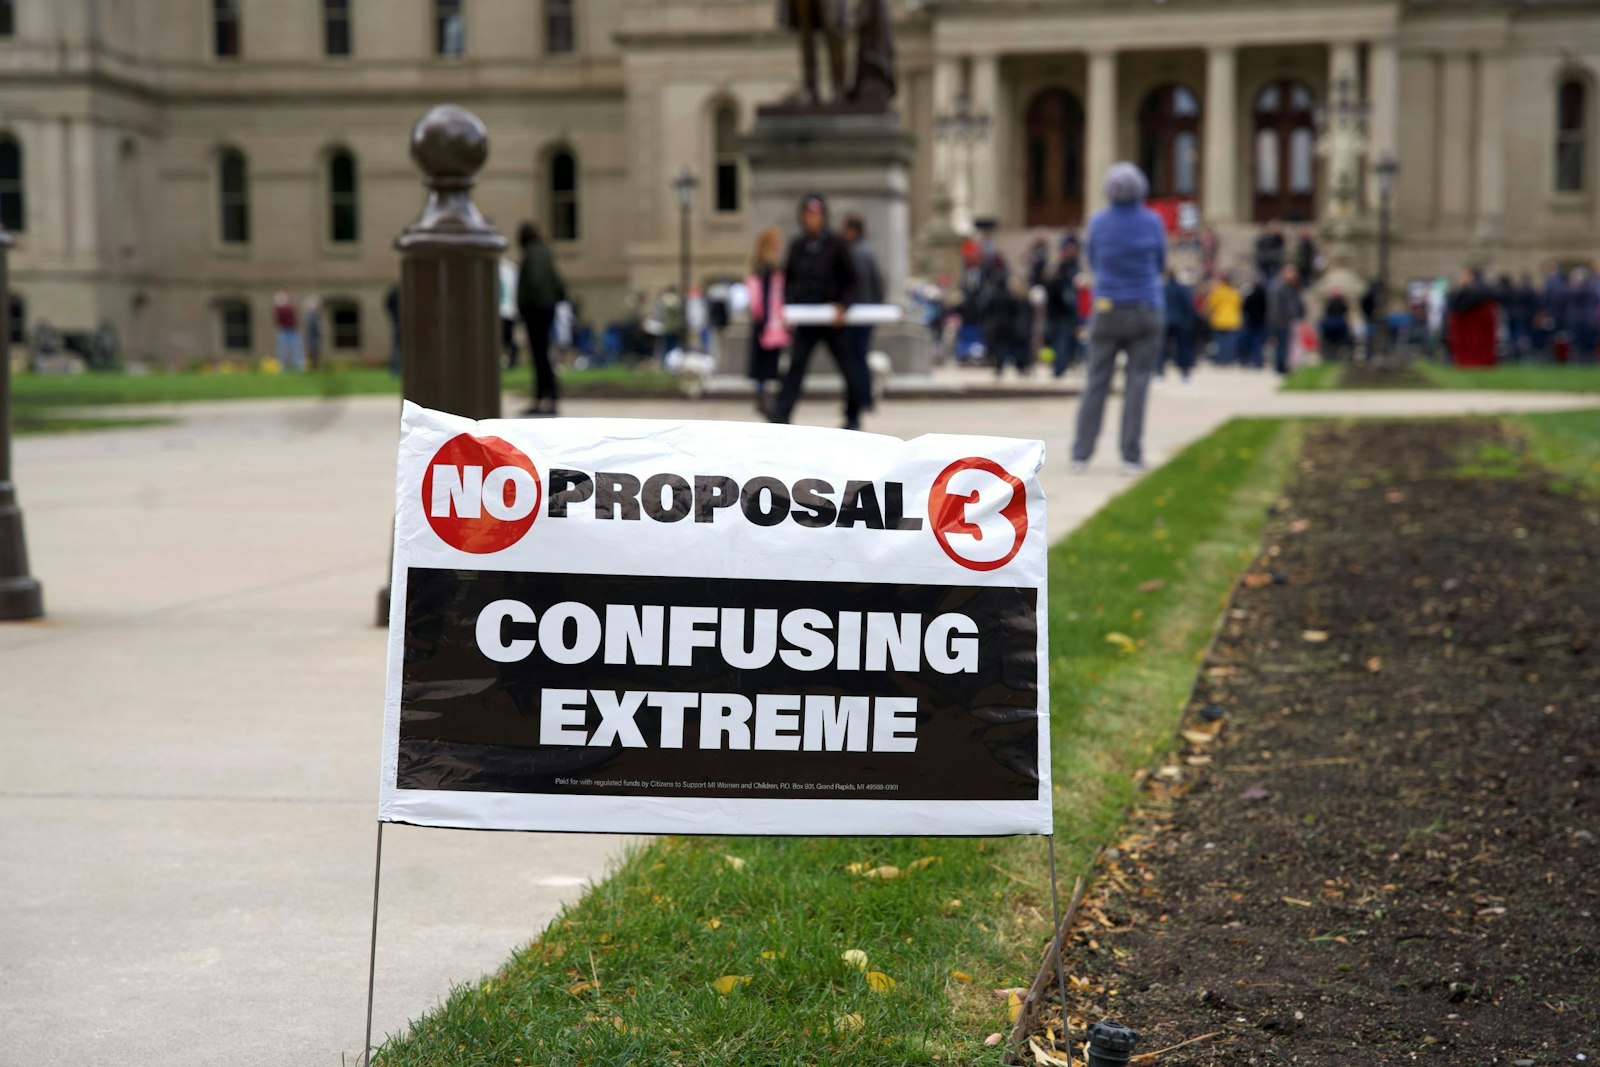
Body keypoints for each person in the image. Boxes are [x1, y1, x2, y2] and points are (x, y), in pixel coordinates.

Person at [1071, 162, 1166, 474]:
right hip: (1144, 309)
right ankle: (1130, 455)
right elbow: (1161, 262)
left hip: (1108, 308)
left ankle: (1081, 454)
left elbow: (1094, 261)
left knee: (1096, 382)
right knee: (1137, 384)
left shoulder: (1097, 222)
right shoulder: (1152, 221)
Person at [768, 192, 862, 429]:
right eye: (808, 214)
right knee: (795, 367)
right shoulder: (798, 246)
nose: (812, 219)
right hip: (806, 319)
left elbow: (852, 280)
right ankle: (782, 413)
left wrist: (843, 306)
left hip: (831, 319)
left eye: (816, 214)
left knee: (849, 367)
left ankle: (853, 415)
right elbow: (788, 281)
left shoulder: (836, 245)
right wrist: (788, 310)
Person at [516, 221, 566, 416]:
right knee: (543, 354)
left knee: (539, 356)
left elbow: (534, 281)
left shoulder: (531, 253)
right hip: (547, 307)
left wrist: (524, 307)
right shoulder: (545, 251)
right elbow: (556, 280)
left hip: (536, 308)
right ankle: (546, 398)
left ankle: (544, 398)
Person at [840, 214, 884, 410]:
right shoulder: (868, 251)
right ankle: (864, 397)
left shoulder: (854, 252)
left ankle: (860, 398)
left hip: (856, 312)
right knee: (860, 356)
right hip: (867, 310)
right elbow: (878, 282)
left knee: (854, 358)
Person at [745, 226, 790, 412]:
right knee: (768, 362)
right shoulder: (768, 266)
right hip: (768, 320)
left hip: (765, 319)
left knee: (766, 362)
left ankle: (764, 394)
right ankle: (765, 396)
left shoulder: (761, 264)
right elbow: (765, 295)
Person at [1447, 267, 1498, 368]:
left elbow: (1458, 306)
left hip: (1471, 324)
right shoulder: (1481, 289)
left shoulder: (1472, 290)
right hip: (1473, 325)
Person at [1045, 235, 1080, 376]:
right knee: (1056, 342)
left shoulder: (1073, 266)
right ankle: (1057, 368)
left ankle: (1059, 369)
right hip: (1056, 310)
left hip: (1064, 313)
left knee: (1062, 342)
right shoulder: (1058, 267)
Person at [990, 274, 1034, 378]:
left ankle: (1018, 366)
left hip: (1016, 328)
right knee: (1007, 348)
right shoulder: (1009, 298)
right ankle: (1012, 366)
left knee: (1016, 349)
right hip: (1010, 328)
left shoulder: (1020, 299)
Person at [1266, 264, 1305, 375]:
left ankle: (1284, 365)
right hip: (1282, 320)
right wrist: (1279, 318)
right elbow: (1275, 306)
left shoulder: (1291, 287)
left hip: (1288, 319)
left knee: (1287, 344)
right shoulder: (1279, 287)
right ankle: (1280, 366)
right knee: (1282, 344)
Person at [1163, 271, 1198, 380]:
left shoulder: (1163, 288)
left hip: (1165, 320)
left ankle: (1159, 370)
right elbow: (1188, 305)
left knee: (1162, 347)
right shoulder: (1182, 289)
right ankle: (1184, 371)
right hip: (1180, 321)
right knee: (1183, 347)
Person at [1203, 271, 1242, 368]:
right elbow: (1239, 304)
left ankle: (1220, 360)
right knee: (1230, 342)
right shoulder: (1234, 292)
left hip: (1219, 319)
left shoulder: (1217, 291)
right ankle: (1228, 359)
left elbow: (1210, 304)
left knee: (1219, 342)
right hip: (1232, 319)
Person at [1240, 273, 1269, 369]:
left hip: (1252, 320)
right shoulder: (1265, 296)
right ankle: (1258, 361)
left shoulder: (1251, 295)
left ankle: (1248, 360)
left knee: (1251, 342)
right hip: (1260, 321)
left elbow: (1244, 307)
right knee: (1259, 342)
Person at [498, 254, 520, 368]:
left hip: (504, 310)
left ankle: (510, 359)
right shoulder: (511, 269)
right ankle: (509, 359)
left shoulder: (505, 268)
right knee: (506, 337)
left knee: (505, 337)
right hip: (509, 309)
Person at [1319, 287, 1353, 362]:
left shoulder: (1330, 303)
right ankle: (1336, 356)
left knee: (1332, 343)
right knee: (1340, 342)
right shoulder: (1342, 303)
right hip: (1339, 326)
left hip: (1332, 327)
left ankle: (1331, 356)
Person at [273, 291, 302, 371]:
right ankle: (282, 367)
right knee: (282, 350)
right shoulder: (279, 309)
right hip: (283, 331)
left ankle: (298, 367)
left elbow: (293, 319)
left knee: (296, 349)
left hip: (292, 331)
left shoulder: (290, 308)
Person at [302, 295, 322, 372]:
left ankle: (314, 367)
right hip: (312, 337)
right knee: (311, 353)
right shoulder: (311, 315)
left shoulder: (314, 315)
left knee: (314, 353)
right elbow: (312, 328)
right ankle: (309, 367)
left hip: (314, 337)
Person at [385, 284, 401, 377]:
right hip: (398, 322)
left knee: (396, 348)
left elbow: (387, 306)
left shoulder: (395, 291)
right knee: (396, 348)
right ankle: (395, 370)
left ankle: (395, 370)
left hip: (396, 322)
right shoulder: (397, 292)